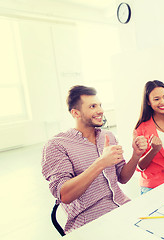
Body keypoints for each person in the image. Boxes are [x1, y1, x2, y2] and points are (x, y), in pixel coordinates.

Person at [41, 85, 147, 234]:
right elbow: (64, 195)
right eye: (92, 106)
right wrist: (101, 163)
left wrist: (136, 154)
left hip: (123, 208)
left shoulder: (108, 136)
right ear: (75, 113)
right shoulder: (56, 145)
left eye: (100, 105)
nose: (100, 110)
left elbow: (122, 178)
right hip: (90, 223)